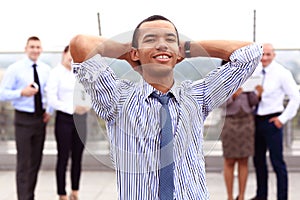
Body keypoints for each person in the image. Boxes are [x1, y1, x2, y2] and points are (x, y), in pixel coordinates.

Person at [69, 15, 263, 199]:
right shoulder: (117, 98)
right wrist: (126, 52)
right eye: (150, 39)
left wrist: (188, 49)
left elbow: (251, 53)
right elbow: (81, 44)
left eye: (170, 39)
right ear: (135, 52)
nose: (161, 44)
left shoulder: (198, 96)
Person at [0, 36, 51, 200]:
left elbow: (50, 93)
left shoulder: (46, 69)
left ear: (41, 49)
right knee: (24, 163)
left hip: (40, 119)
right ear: (26, 49)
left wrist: (49, 110)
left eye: (38, 47)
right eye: (32, 47)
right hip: (23, 119)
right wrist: (21, 92)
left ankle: (30, 196)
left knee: (36, 162)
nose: (35, 50)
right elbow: (2, 93)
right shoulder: (15, 69)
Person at [250, 43, 300, 200]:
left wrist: (282, 119)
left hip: (273, 121)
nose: (264, 58)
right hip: (256, 120)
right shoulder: (255, 72)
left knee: (277, 162)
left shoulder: (282, 73)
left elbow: (295, 98)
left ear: (274, 55)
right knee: (258, 160)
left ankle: (282, 197)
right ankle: (261, 195)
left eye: (268, 55)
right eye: (262, 55)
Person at [45, 45, 89, 200]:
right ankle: (62, 193)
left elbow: (89, 93)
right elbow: (52, 100)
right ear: (63, 54)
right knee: (63, 157)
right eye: (69, 54)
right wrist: (73, 108)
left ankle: (75, 191)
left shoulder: (81, 73)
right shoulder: (55, 73)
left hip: (82, 119)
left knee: (78, 157)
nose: (72, 58)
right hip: (64, 119)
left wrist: (86, 106)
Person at [220, 84, 262, 200]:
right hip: (229, 122)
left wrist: (257, 94)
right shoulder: (224, 81)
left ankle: (242, 196)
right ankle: (230, 196)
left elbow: (252, 102)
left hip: (246, 122)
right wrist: (232, 96)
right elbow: (218, 103)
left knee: (244, 160)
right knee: (229, 160)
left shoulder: (247, 80)